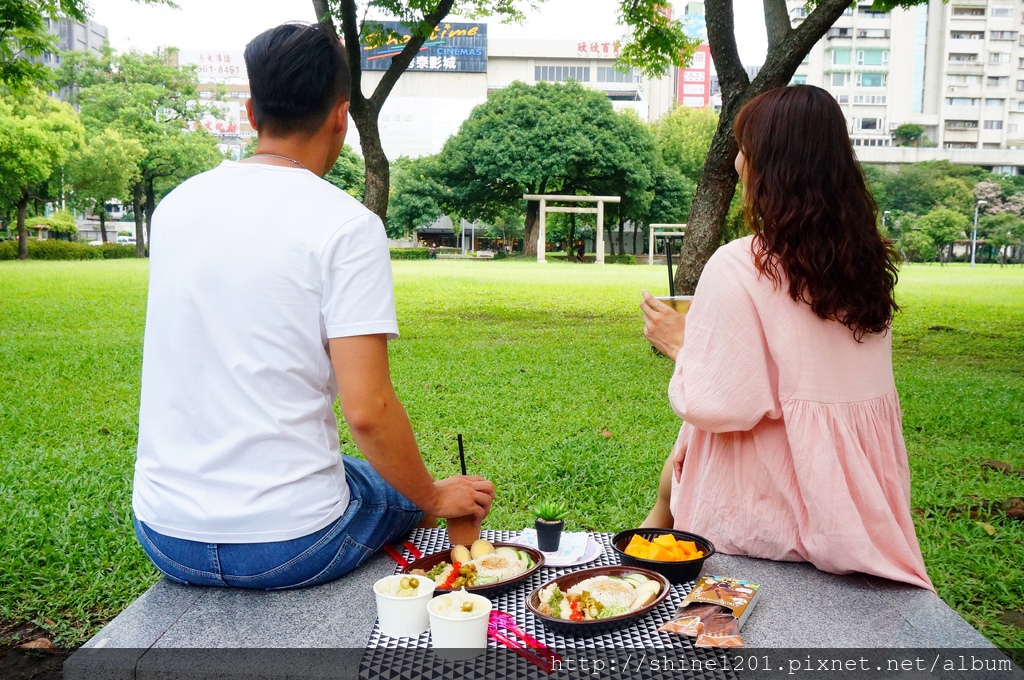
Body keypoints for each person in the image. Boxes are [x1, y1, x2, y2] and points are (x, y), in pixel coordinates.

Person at [131, 23, 494, 589]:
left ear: (252, 112)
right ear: (341, 117)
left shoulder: (175, 208)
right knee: (401, 489)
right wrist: (432, 494)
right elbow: (368, 410)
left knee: (360, 473)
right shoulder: (347, 225)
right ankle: (449, 524)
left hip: (165, 536)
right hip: (292, 544)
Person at [639, 85, 932, 590]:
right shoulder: (865, 265)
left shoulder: (740, 264)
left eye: (744, 151)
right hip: (862, 510)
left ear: (771, 169)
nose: (737, 164)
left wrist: (680, 344)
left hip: (770, 515)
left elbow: (717, 404)